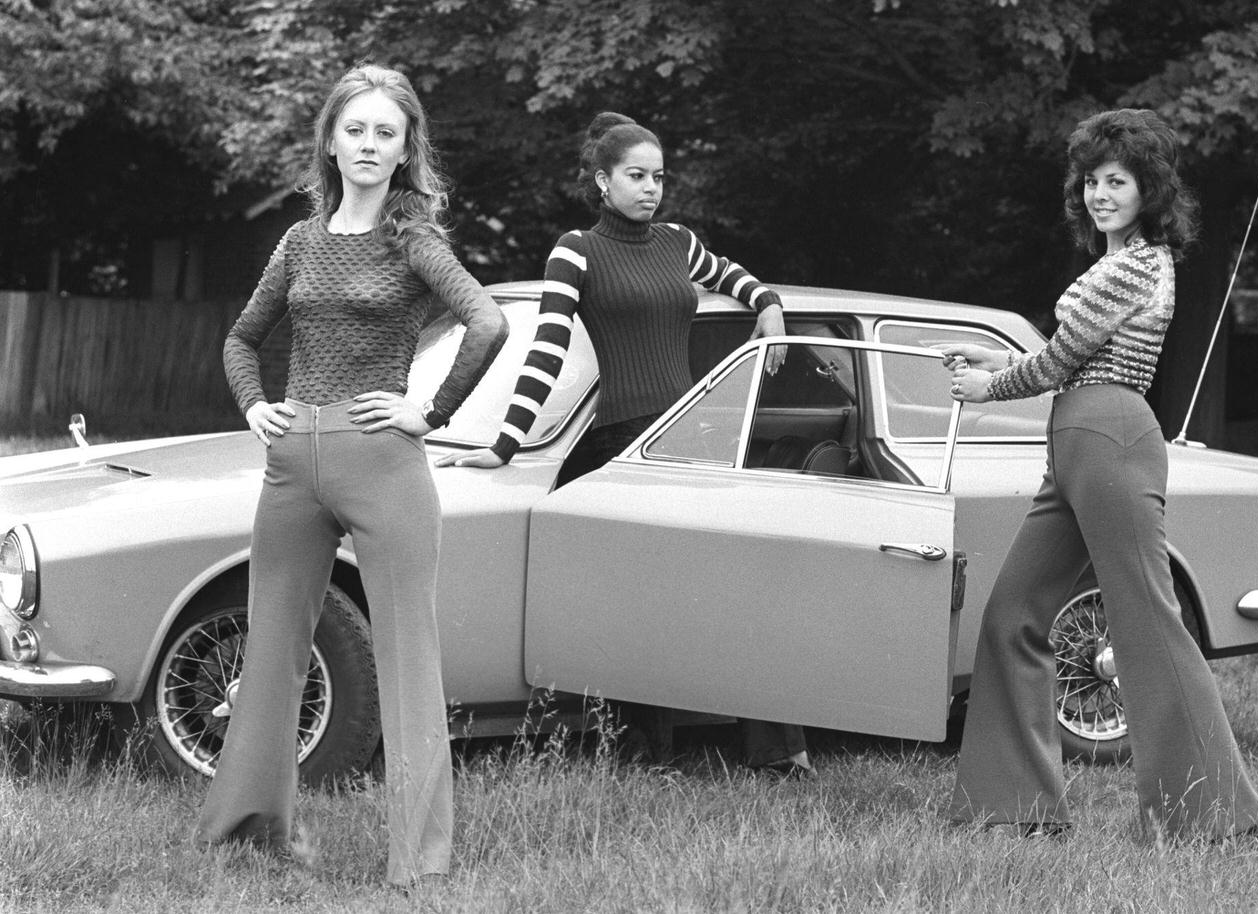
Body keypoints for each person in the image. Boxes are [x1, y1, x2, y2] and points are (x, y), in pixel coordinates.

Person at [194, 63, 510, 887]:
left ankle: (420, 862)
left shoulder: (412, 238)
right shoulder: (298, 242)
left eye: (386, 133)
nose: (369, 145)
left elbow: (488, 321)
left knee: (408, 657)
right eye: (356, 129)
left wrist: (428, 413)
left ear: (406, 150)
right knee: (271, 652)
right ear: (330, 140)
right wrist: (256, 404)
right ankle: (247, 831)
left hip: (383, 464)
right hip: (292, 463)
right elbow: (240, 338)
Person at [439, 111, 810, 776]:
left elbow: (737, 279)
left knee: (739, 581)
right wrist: (503, 444)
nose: (650, 188)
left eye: (658, 177)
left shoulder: (678, 242)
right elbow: (545, 353)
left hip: (695, 434)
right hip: (625, 443)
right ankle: (644, 755)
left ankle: (779, 753)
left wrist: (770, 304)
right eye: (636, 176)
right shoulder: (575, 249)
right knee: (645, 597)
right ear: (603, 181)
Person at [943, 108, 1258, 841]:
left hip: (1109, 439)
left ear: (1147, 190)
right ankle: (1015, 805)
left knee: (1146, 620)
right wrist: (996, 363)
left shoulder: (1136, 263)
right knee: (1012, 616)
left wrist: (986, 389)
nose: (1099, 193)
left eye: (1116, 181)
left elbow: (1058, 362)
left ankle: (1213, 813)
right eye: (1091, 181)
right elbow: (1074, 356)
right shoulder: (1117, 265)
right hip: (1081, 440)